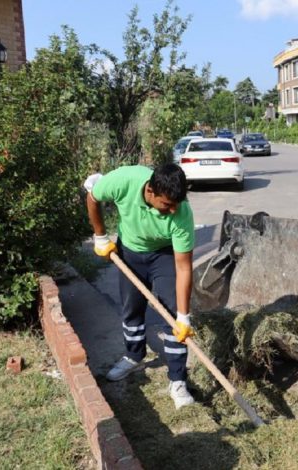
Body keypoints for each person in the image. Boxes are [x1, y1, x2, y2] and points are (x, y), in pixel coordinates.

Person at [83, 164, 196, 409]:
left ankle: (177, 380)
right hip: (130, 251)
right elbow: (92, 197)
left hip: (164, 254)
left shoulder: (181, 213)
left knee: (172, 314)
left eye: (177, 203)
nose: (173, 209)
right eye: (167, 205)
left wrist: (184, 317)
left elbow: (184, 268)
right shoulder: (124, 180)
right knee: (131, 308)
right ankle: (134, 356)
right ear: (150, 191)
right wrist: (100, 235)